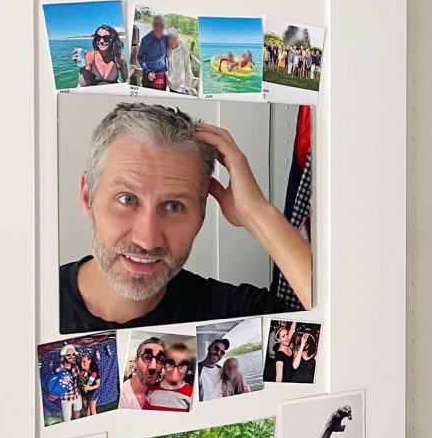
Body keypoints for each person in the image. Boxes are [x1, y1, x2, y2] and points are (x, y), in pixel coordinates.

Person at [59, 102, 312, 333]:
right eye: (127, 199)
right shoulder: (27, 304)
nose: (148, 240)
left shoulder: (233, 320)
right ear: (87, 198)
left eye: (173, 206)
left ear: (202, 212)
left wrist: (257, 213)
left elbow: (346, 344)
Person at [120, 336, 164, 409]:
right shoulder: (122, 395)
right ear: (136, 362)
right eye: (147, 357)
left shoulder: (163, 394)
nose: (153, 366)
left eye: (159, 359)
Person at [147, 343, 194, 411]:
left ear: (187, 369)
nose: (175, 371)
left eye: (182, 365)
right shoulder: (151, 389)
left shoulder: (192, 393)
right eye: (171, 363)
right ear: (164, 365)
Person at [137, 14, 168, 91]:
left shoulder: (166, 39)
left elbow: (169, 57)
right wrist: (148, 72)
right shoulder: (146, 39)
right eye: (156, 24)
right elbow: (140, 57)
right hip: (149, 77)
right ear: (153, 25)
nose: (159, 27)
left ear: (164, 26)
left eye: (161, 25)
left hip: (162, 76)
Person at [53, 344, 82, 421]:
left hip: (77, 395)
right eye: (68, 355)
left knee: (77, 412)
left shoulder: (76, 366)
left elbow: (79, 378)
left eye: (73, 354)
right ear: (63, 356)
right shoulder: (59, 370)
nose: (72, 356)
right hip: (66, 398)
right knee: (67, 419)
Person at [165, 27, 196, 96]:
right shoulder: (167, 49)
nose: (172, 41)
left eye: (173, 39)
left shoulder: (184, 50)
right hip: (170, 85)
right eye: (169, 39)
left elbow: (188, 68)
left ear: (177, 38)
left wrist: (187, 86)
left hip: (181, 87)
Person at [77, 351, 101, 416]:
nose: (81, 364)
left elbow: (98, 384)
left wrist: (90, 387)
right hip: (83, 393)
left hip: (92, 393)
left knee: (93, 411)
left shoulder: (94, 372)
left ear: (89, 360)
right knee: (86, 408)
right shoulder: (80, 370)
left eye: (84, 362)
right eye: (81, 362)